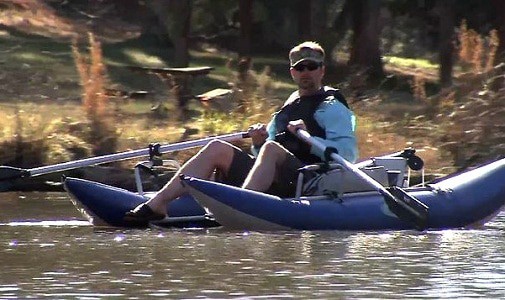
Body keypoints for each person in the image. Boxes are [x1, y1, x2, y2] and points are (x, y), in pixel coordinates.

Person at [124, 41, 359, 226]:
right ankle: (158, 204)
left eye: (312, 67)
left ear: (322, 71)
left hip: (308, 180)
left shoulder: (332, 107)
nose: (305, 72)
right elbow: (264, 153)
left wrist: (309, 138)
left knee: (270, 148)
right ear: (292, 72)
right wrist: (258, 142)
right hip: (277, 179)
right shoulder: (291, 103)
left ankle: (237, 206)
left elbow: (348, 155)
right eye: (300, 68)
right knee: (218, 147)